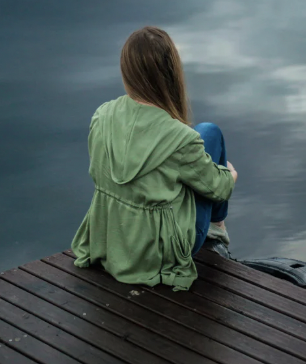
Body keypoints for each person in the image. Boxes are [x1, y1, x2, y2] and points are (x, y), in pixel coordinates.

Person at [71, 26, 238, 291]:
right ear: (171, 73)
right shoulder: (181, 138)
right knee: (210, 132)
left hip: (112, 240)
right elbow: (220, 189)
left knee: (201, 137)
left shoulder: (101, 116)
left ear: (127, 71)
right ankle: (216, 229)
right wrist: (229, 174)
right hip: (159, 254)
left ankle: (213, 224)